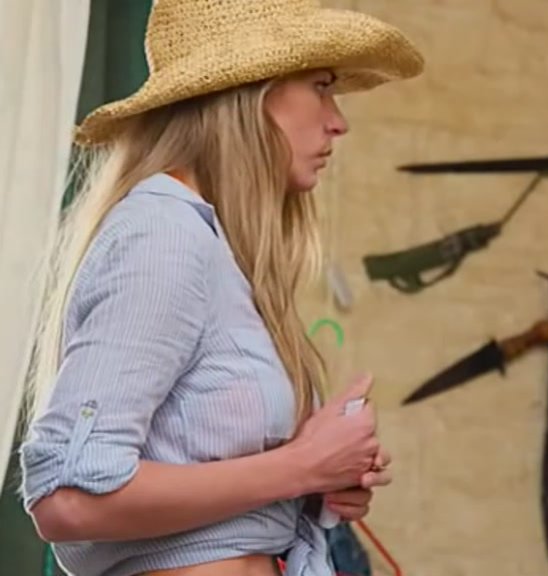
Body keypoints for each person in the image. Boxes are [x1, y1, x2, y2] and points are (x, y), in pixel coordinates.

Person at [18, 1, 423, 575]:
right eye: (321, 87)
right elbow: (67, 499)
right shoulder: (164, 233)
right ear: (251, 93)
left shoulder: (214, 245)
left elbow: (192, 475)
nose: (339, 121)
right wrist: (301, 466)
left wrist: (317, 479)